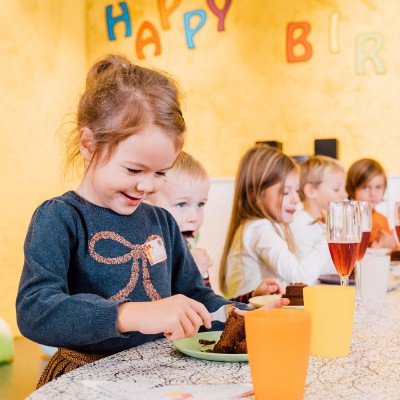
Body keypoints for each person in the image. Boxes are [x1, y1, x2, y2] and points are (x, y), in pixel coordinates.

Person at [16, 55, 288, 387]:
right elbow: (36, 311)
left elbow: (193, 295)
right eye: (133, 170)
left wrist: (234, 315)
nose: (146, 185)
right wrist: (129, 314)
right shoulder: (59, 218)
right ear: (88, 144)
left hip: (156, 376)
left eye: (160, 172)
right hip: (84, 379)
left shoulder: (161, 221)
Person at [147, 151, 282, 301]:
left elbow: (209, 307)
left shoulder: (191, 251)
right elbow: (155, 305)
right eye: (181, 204)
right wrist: (189, 272)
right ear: (147, 204)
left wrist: (252, 298)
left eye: (200, 204)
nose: (194, 217)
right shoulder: (151, 251)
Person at [219, 144, 332, 299]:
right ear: (256, 193)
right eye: (286, 192)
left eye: (296, 190)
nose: (296, 199)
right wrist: (330, 234)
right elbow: (299, 278)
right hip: (249, 319)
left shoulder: (256, 226)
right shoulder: (259, 228)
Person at [291, 155, 347, 276]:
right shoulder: (300, 225)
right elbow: (315, 270)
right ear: (311, 191)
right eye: (337, 189)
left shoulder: (323, 223)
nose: (345, 195)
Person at [346, 158, 396, 249]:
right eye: (366, 187)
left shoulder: (382, 220)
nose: (373, 194)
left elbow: (391, 253)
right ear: (352, 189)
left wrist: (393, 245)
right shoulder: (347, 218)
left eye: (378, 187)